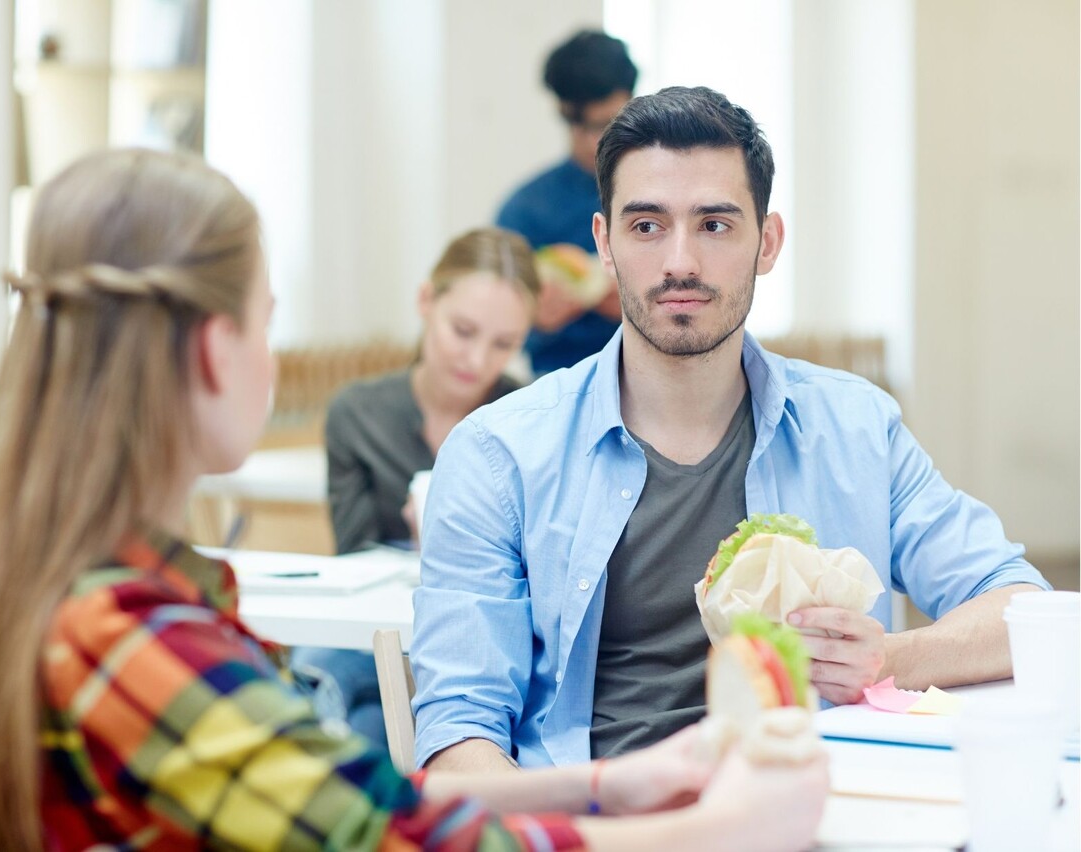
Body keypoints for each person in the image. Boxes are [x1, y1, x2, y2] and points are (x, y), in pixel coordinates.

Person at [0, 148, 829, 852]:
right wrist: (718, 831)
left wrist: (611, 786)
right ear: (211, 348)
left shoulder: (108, 599)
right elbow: (394, 842)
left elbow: (363, 798)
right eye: (267, 322)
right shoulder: (127, 636)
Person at [411, 85, 1051, 772]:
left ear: (767, 242)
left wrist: (889, 658)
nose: (680, 262)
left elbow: (1021, 610)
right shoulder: (498, 454)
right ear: (604, 242)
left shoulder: (855, 427)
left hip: (818, 814)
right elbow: (457, 737)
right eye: (647, 226)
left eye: (714, 225)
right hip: (599, 824)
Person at [292, 226, 540, 747]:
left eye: (504, 344)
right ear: (426, 301)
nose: (477, 360)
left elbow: (540, 580)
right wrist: (414, 545)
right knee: (352, 696)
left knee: (341, 698)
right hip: (379, 628)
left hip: (481, 636)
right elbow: (353, 559)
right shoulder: (358, 415)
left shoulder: (528, 418)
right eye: (463, 330)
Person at [497, 29, 636, 375]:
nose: (594, 143)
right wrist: (534, 321)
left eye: (608, 123)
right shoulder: (526, 210)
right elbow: (492, 325)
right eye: (579, 126)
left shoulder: (666, 194)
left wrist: (642, 306)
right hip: (556, 385)